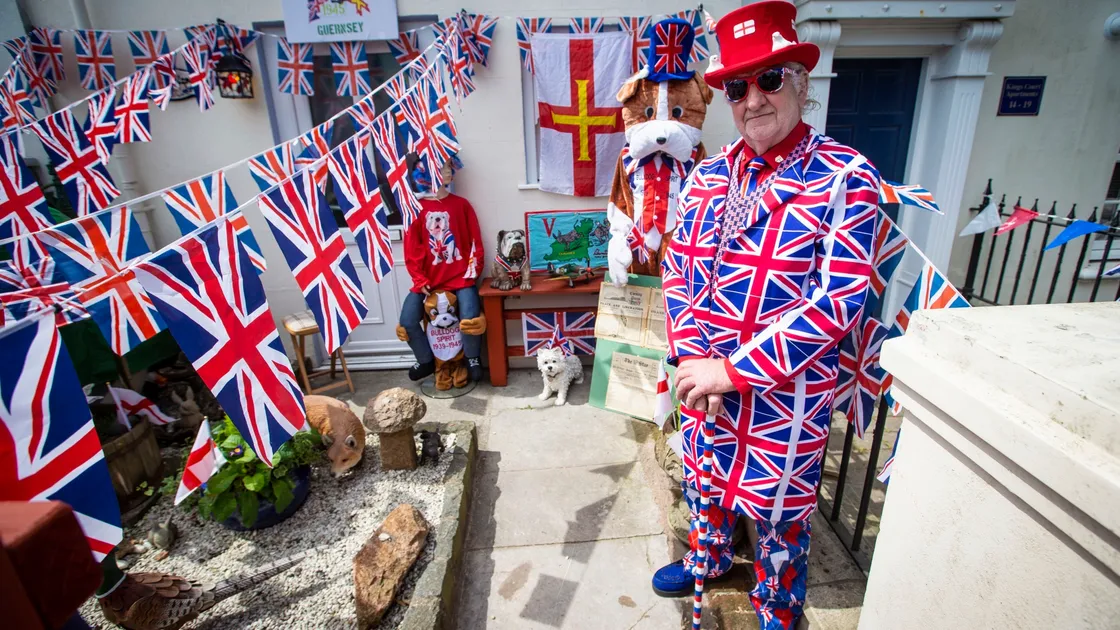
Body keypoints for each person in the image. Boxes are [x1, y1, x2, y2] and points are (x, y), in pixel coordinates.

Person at [654, 3, 882, 629]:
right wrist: (693, 358)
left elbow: (837, 301)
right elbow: (680, 270)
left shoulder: (847, 176)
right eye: (737, 85)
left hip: (783, 398)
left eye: (769, 79)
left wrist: (733, 371)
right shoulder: (706, 176)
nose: (752, 98)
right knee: (704, 486)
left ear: (800, 85)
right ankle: (709, 558)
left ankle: (777, 604)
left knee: (779, 516)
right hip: (706, 382)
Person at [397, 155, 486, 383]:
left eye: (449, 167)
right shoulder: (415, 209)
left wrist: (472, 272)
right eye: (442, 167)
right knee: (407, 320)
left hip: (460, 278)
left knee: (469, 316)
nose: (448, 171)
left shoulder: (461, 205)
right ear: (426, 172)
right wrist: (419, 279)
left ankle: (473, 358)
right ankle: (426, 360)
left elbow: (475, 242)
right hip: (429, 281)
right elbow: (411, 248)